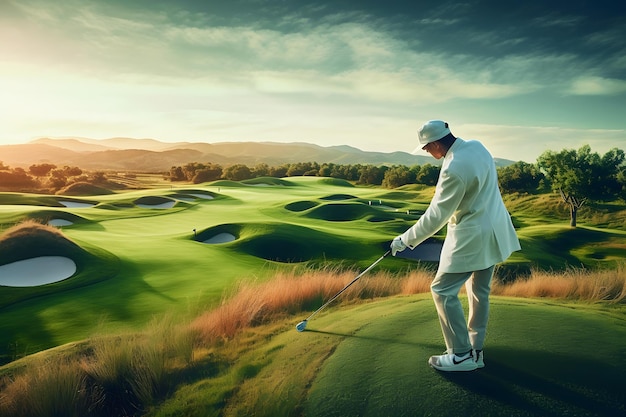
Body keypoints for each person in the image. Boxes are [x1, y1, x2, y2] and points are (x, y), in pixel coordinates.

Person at [390, 120, 520, 372]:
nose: (428, 153)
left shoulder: (453, 169)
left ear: (437, 143)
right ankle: (475, 349)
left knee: (441, 290)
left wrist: (405, 240)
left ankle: (460, 355)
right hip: (495, 230)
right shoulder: (477, 147)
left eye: (427, 148)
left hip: (472, 237)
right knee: (478, 291)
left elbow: (436, 216)